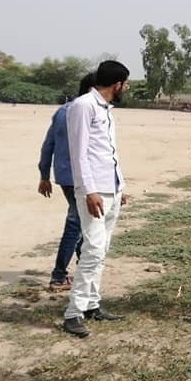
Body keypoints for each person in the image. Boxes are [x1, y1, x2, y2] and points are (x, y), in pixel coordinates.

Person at [62, 60, 131, 338]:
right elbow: (79, 153)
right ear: (117, 84)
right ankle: (73, 312)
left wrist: (120, 186)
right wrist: (88, 191)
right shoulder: (83, 106)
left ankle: (92, 304)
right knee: (92, 249)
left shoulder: (106, 110)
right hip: (94, 191)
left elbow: (108, 153)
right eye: (125, 84)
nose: (125, 88)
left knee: (101, 250)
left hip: (110, 188)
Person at [37, 72, 96, 291]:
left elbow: (48, 144)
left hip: (63, 176)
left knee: (82, 222)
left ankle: (81, 268)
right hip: (81, 178)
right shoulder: (88, 112)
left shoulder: (62, 111)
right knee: (76, 224)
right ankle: (59, 275)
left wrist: (44, 175)